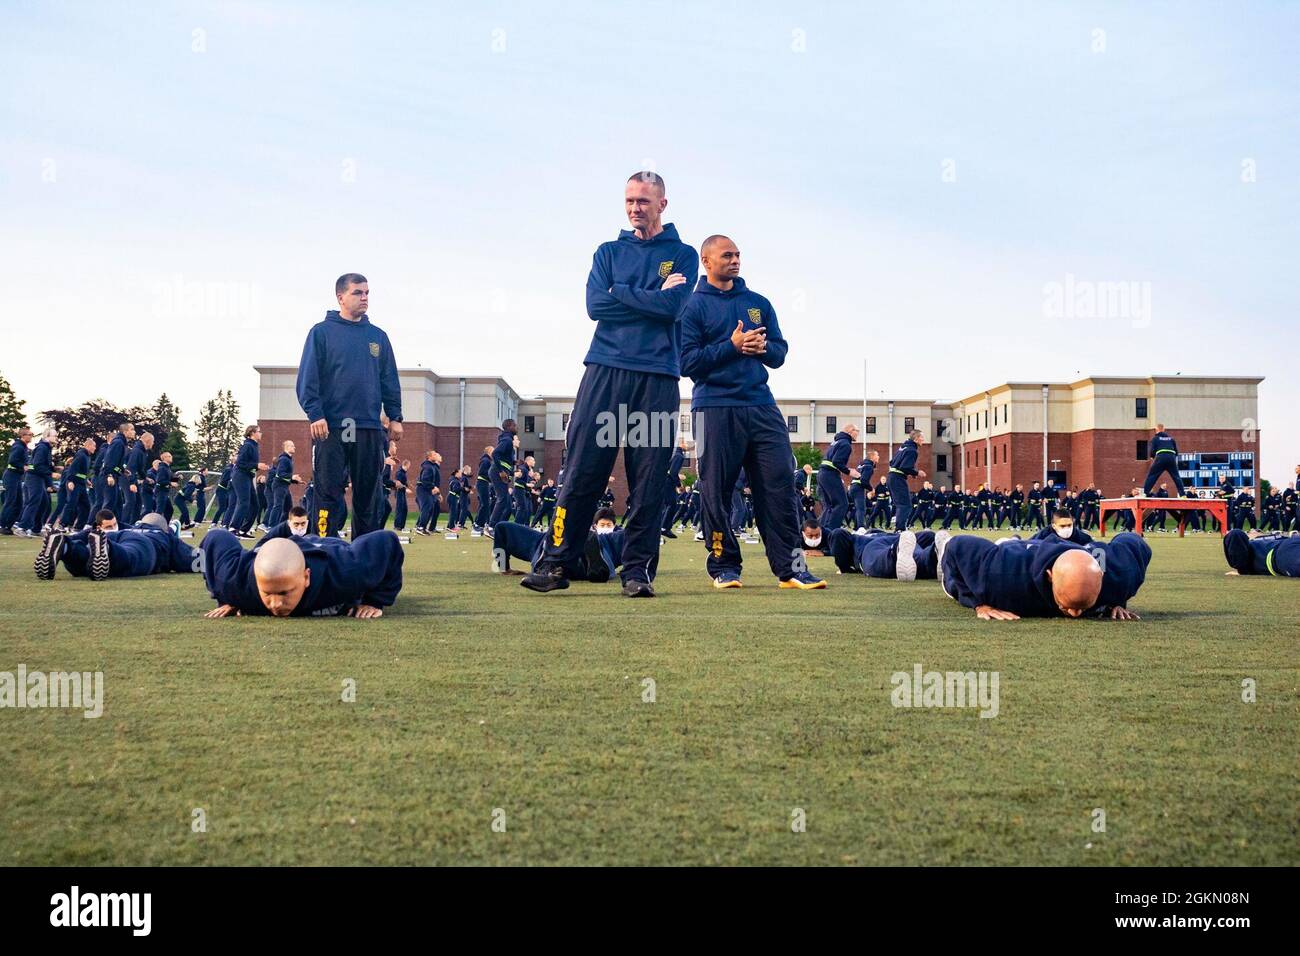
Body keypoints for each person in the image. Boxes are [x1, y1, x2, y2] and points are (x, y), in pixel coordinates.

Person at [520, 172, 697, 598]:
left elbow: (673, 308)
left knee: (650, 478)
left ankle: (636, 572)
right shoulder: (608, 252)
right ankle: (555, 563)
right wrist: (647, 294)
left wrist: (624, 293)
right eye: (629, 201)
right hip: (604, 372)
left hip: (656, 380)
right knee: (581, 470)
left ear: (663, 204)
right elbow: (595, 305)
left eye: (643, 201)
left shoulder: (685, 254)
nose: (635, 208)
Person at [677, 234, 824, 589]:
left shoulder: (758, 303)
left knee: (779, 486)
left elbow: (779, 353)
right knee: (716, 490)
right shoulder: (691, 306)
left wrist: (761, 348)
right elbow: (687, 362)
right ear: (707, 261)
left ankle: (792, 569)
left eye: (738, 255)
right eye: (727, 255)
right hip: (715, 407)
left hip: (760, 404)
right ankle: (725, 566)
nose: (735, 260)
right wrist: (732, 346)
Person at [295, 273, 403, 539]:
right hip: (334, 426)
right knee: (328, 491)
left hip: (367, 426)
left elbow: (388, 378)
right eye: (358, 292)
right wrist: (315, 414)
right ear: (340, 297)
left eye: (367, 292)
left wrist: (395, 415)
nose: (364, 297)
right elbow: (308, 378)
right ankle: (323, 548)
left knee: (369, 493)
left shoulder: (377, 336)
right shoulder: (321, 333)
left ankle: (363, 554)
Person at [200, 527, 404, 619]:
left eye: (284, 593)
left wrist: (376, 600)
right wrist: (224, 595)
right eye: (268, 594)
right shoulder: (233, 581)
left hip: (326, 547)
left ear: (306, 577)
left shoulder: (347, 571)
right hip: (269, 551)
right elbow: (215, 538)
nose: (276, 605)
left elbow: (386, 541)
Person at [939, 533, 1151, 620]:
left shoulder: (1120, 574)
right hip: (1010, 554)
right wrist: (977, 603)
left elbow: (1134, 541)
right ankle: (932, 549)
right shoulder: (1003, 577)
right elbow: (958, 546)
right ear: (1050, 577)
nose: (1075, 615)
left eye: (1085, 605)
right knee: (950, 576)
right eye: (1066, 604)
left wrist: (1117, 599)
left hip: (1069, 549)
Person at [34, 513, 197, 581]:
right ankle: (107, 549)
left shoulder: (129, 526)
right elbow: (192, 559)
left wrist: (67, 539)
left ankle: (65, 549)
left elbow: (86, 534)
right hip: (144, 544)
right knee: (131, 557)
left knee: (84, 558)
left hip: (113, 535)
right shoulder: (162, 535)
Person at [494, 508, 623, 582]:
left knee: (503, 527)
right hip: (592, 553)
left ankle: (552, 566)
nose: (606, 527)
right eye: (603, 525)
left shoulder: (609, 537)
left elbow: (502, 529)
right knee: (596, 549)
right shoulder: (611, 539)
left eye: (609, 525)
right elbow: (635, 539)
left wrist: (503, 567)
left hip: (554, 544)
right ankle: (595, 566)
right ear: (595, 525)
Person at [828, 527, 953, 581]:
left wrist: (844, 567)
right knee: (918, 551)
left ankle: (896, 551)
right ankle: (934, 552)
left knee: (883, 557)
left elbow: (838, 534)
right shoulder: (873, 534)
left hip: (874, 546)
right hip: (899, 538)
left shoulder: (858, 538)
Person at [816, 424, 858, 533]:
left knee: (829, 506)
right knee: (842, 504)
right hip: (830, 474)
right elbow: (837, 461)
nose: (858, 433)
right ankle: (831, 533)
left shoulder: (836, 442)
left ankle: (820, 532)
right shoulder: (845, 444)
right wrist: (849, 472)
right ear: (850, 431)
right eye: (856, 430)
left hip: (822, 474)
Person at [228, 425, 268, 537]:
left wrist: (259, 466)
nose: (261, 433)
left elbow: (249, 464)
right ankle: (233, 528)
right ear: (252, 433)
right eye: (259, 431)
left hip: (247, 477)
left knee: (255, 505)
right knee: (243, 502)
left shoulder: (254, 446)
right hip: (240, 476)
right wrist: (257, 465)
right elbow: (240, 463)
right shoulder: (247, 445)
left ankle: (243, 530)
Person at [17, 428, 57, 536]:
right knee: (34, 502)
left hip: (38, 478)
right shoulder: (42, 448)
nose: (56, 437)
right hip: (34, 478)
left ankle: (36, 529)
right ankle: (22, 527)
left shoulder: (46, 448)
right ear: (47, 436)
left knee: (44, 503)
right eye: (54, 435)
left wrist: (53, 472)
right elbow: (37, 466)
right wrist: (51, 474)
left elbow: (44, 466)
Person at [888, 429, 926, 531]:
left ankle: (898, 528)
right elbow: (904, 467)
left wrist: (911, 471)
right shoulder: (912, 451)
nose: (923, 439)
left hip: (892, 476)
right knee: (905, 505)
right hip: (897, 478)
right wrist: (917, 472)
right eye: (922, 437)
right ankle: (900, 529)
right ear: (916, 439)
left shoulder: (903, 447)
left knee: (900, 504)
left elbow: (892, 462)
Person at [57, 436, 97, 531]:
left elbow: (82, 471)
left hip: (81, 484)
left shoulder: (87, 456)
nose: (95, 448)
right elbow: (73, 468)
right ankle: (62, 524)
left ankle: (78, 527)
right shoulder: (81, 455)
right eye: (94, 446)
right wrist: (70, 481)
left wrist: (86, 480)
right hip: (75, 483)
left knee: (85, 506)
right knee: (71, 503)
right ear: (88, 446)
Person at [1222, 529, 1300, 577]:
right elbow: (1235, 534)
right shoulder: (1247, 562)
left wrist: (1240, 570)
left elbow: (1235, 535)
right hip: (1285, 550)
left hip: (1282, 554)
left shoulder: (1245, 563)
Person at [1142, 423, 1186, 496]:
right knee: (1176, 477)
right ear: (1164, 430)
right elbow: (1176, 452)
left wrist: (1152, 457)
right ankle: (1182, 495)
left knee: (1152, 476)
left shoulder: (1155, 438)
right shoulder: (1171, 439)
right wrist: (1171, 459)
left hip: (1161, 457)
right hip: (1171, 457)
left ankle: (1145, 493)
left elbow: (1152, 450)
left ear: (1156, 430)